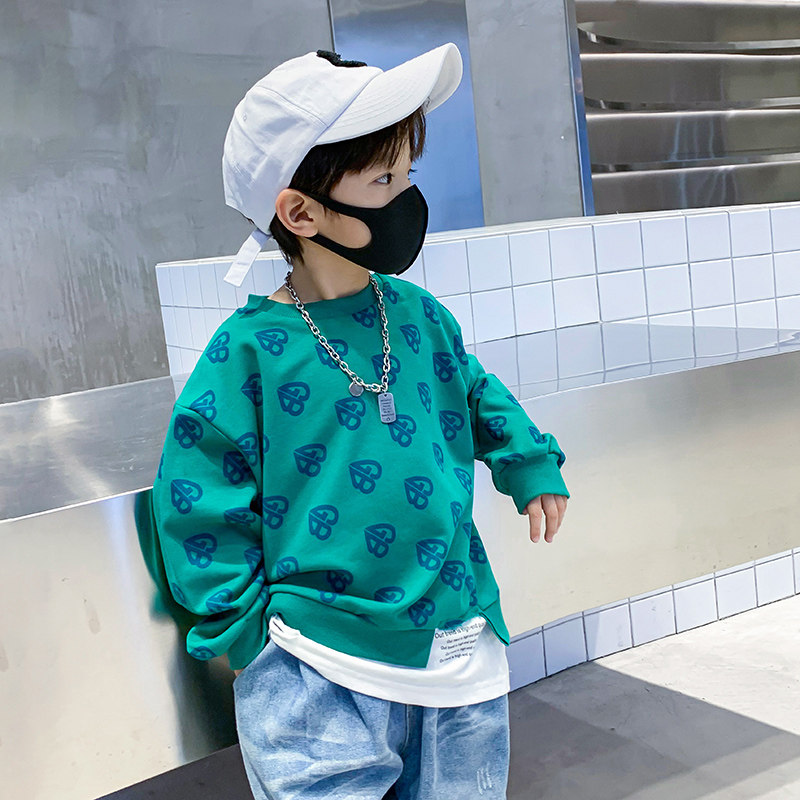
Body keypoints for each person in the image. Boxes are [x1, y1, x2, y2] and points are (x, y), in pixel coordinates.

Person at [150, 42, 570, 800]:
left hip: (456, 634)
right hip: (316, 661)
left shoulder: (416, 314)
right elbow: (197, 498)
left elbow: (473, 389)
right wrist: (243, 632)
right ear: (300, 212)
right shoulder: (248, 352)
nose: (406, 195)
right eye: (383, 179)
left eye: (408, 173)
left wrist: (527, 460)